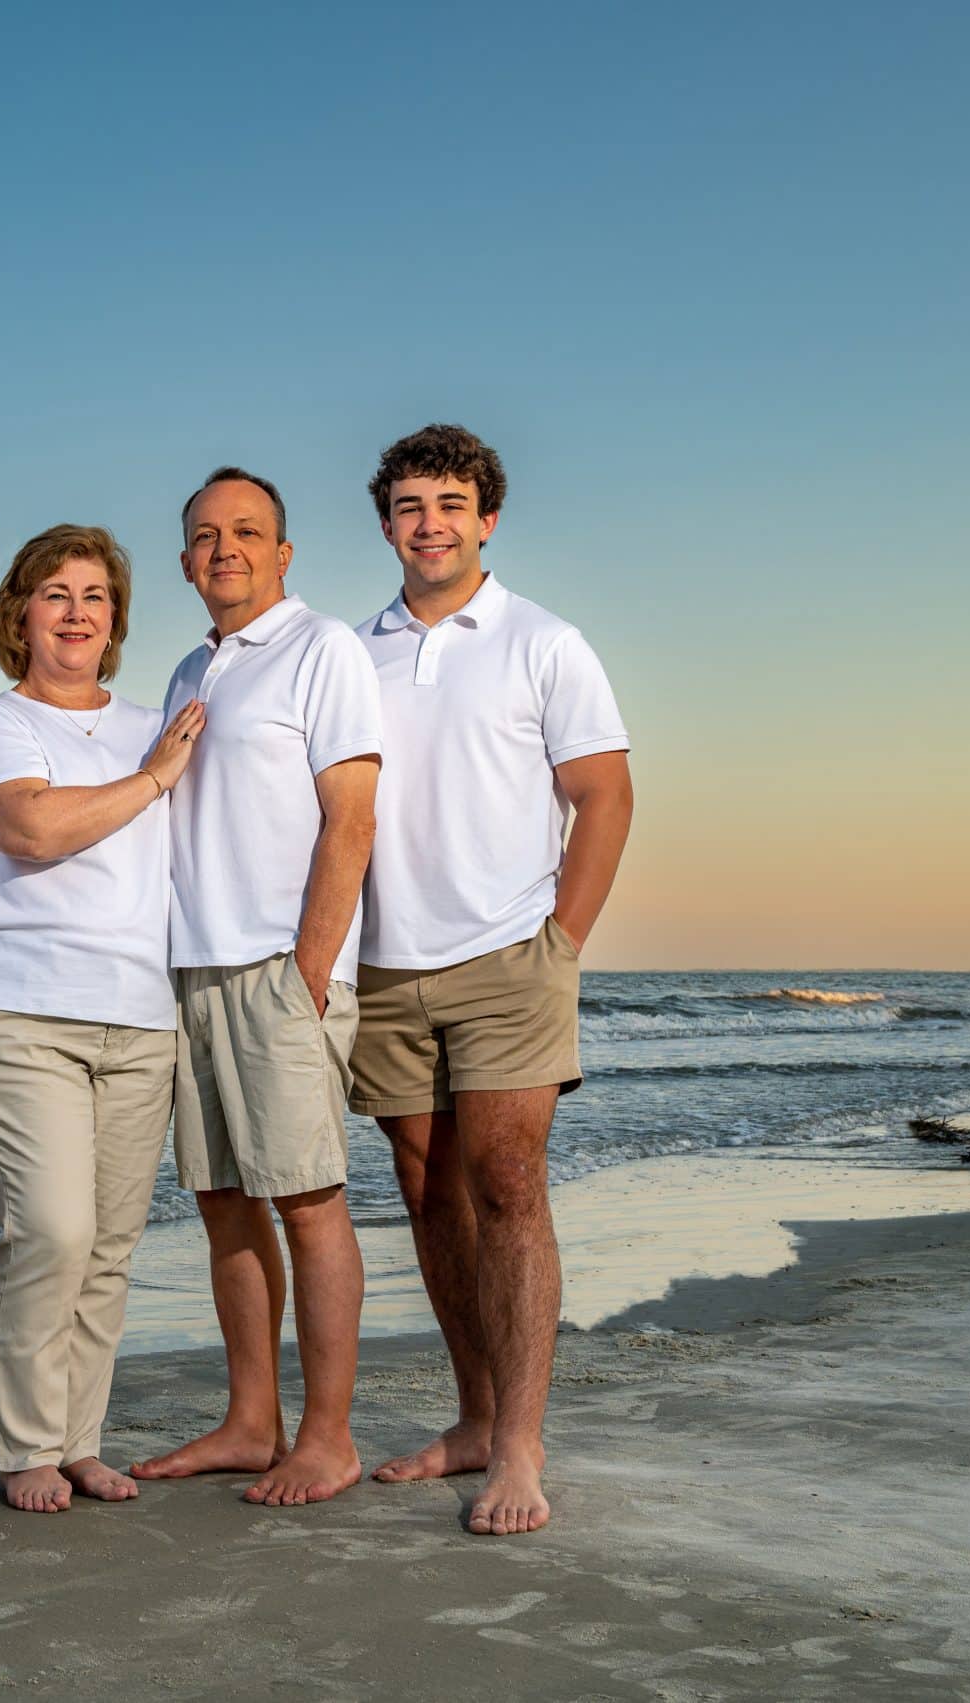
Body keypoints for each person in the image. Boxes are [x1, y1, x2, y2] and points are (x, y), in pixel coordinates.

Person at [351, 423, 635, 1536]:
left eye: (451, 504)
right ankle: (470, 1416)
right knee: (426, 1190)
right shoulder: (348, 649)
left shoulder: (543, 641)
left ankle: (518, 1443)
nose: (431, 523)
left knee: (508, 1185)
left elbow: (603, 797)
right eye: (411, 505)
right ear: (386, 524)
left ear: (488, 519)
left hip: (509, 955)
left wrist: (560, 940)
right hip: (381, 963)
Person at [133, 467, 383, 1507]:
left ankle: (327, 1434)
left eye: (245, 531)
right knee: (223, 1201)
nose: (222, 547)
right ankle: (251, 1419)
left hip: (279, 971)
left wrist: (309, 971)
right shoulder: (190, 668)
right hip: (189, 970)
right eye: (202, 533)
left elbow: (350, 817)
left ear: (283, 553)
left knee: (308, 1200)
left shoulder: (323, 647)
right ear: (185, 559)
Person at [0, 524, 207, 1513]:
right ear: (19, 613)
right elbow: (30, 826)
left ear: (116, 618)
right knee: (50, 1229)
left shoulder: (155, 719)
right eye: (54, 592)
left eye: (94, 595)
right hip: (20, 1010)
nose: (75, 611)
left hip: (140, 1018)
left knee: (108, 1243)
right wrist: (151, 781)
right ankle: (23, 1444)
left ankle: (77, 1436)